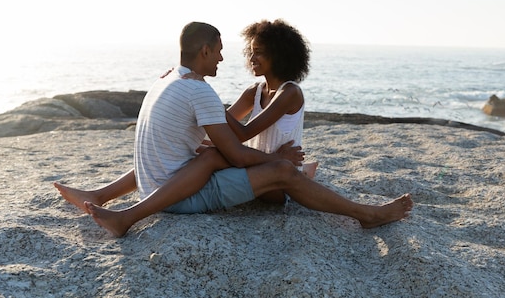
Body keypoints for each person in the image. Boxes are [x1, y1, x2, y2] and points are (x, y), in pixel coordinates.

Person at [55, 21, 414, 237]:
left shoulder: (172, 80)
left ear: (279, 55)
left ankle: (104, 196)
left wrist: (208, 107)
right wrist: (211, 108)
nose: (237, 58)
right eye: (224, 52)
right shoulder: (216, 89)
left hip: (206, 176)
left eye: (259, 52)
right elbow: (236, 139)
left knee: (215, 155)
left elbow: (233, 131)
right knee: (236, 160)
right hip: (203, 185)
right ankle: (366, 213)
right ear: (206, 51)